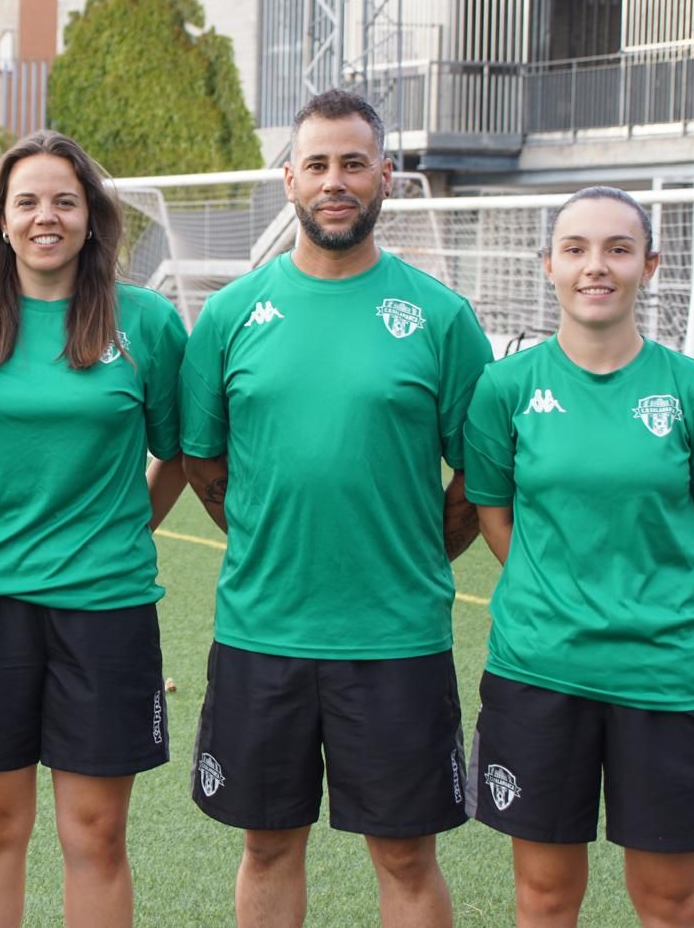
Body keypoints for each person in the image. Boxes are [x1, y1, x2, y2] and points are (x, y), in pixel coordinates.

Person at [179, 89, 493, 927]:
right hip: (262, 631)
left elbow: (482, 473)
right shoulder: (231, 315)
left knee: (405, 853)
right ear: (288, 180)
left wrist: (419, 554)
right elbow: (203, 459)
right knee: (268, 845)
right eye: (317, 164)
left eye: (354, 163)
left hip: (395, 637)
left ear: (385, 175)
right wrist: (263, 539)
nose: (335, 181)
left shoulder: (439, 316)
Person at [0, 130, 186, 928]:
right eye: (27, 201)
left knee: (96, 833)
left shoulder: (148, 324)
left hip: (105, 606)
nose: (46, 217)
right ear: (0, 218)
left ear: (93, 217)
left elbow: (179, 453)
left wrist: (124, 528)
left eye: (65, 200)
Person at [462, 186, 694, 928]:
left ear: (649, 265)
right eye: (576, 249)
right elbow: (496, 518)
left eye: (617, 249)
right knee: (544, 897)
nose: (595, 266)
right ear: (549, 266)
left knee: (669, 902)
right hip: (539, 669)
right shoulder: (504, 388)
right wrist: (557, 594)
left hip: (664, 676)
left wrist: (653, 600)